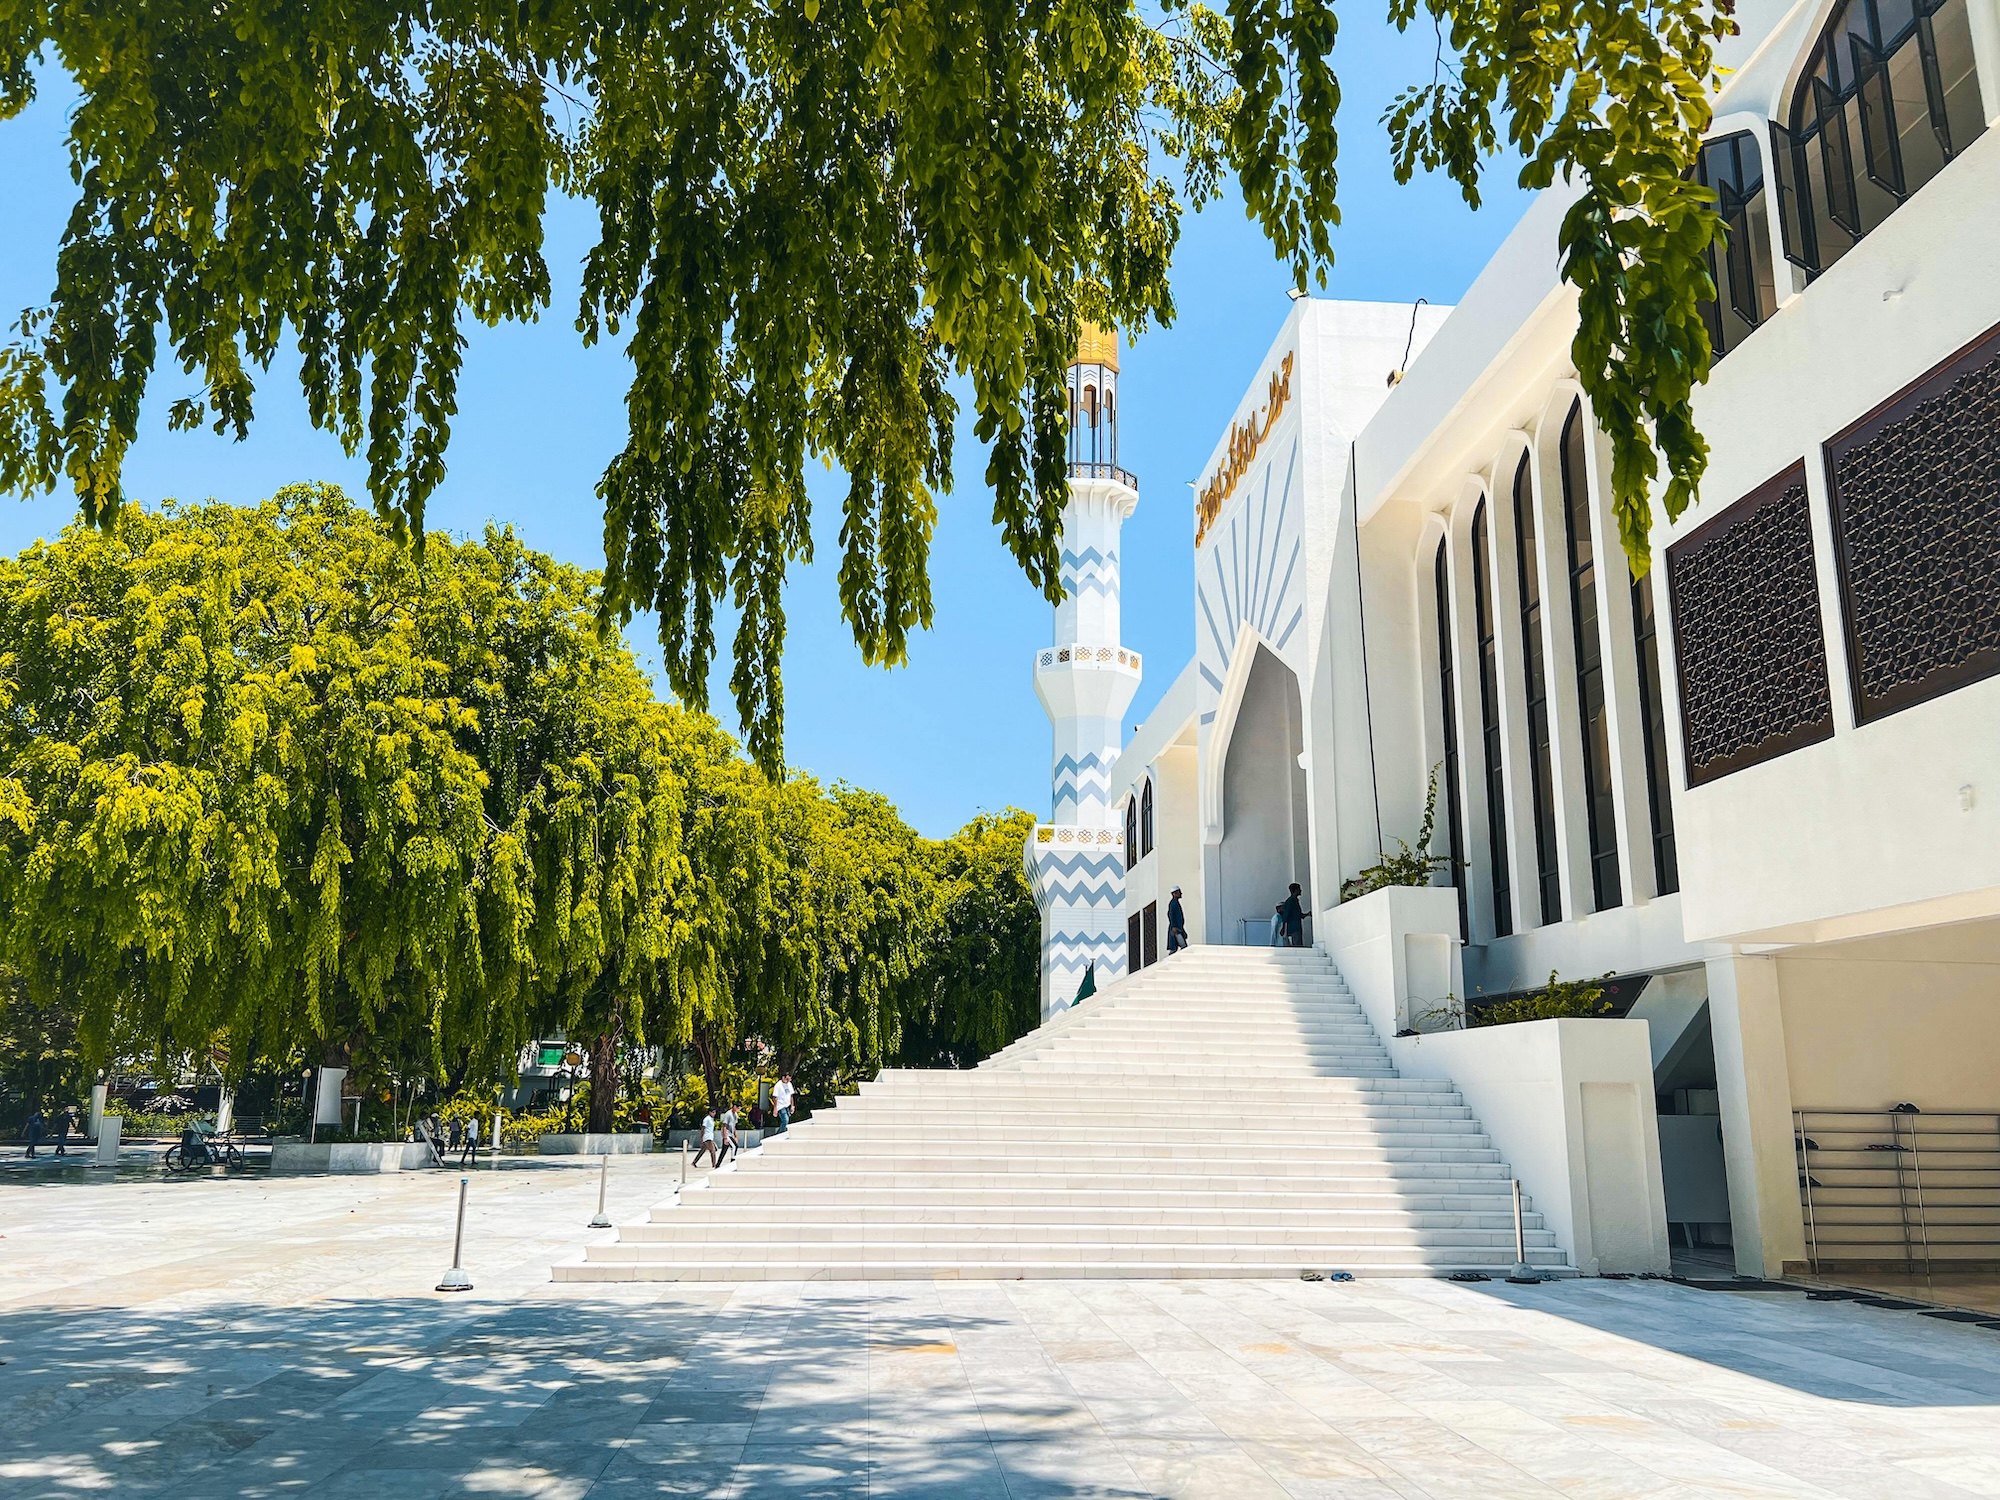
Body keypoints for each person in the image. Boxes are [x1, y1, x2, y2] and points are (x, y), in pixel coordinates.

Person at [1279, 882, 1306, 947]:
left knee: (1298, 945)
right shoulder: (1290, 901)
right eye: (1299, 889)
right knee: (1297, 946)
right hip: (1293, 929)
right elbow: (1286, 915)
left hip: (1297, 928)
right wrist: (1283, 928)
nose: (1300, 890)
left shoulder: (1295, 901)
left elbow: (1298, 914)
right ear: (1296, 890)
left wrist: (1307, 914)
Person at [1165, 888, 1188, 954]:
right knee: (1182, 946)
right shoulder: (1173, 903)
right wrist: (1174, 926)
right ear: (1174, 894)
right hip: (1176, 929)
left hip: (1178, 928)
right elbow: (1171, 915)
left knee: (1175, 947)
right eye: (1179, 892)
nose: (1181, 893)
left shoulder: (1175, 903)